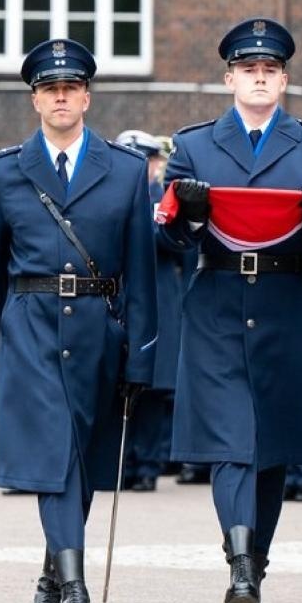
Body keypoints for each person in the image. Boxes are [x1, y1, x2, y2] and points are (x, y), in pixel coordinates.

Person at [159, 17, 302, 603]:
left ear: (284, 79)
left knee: (272, 454)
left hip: (287, 303)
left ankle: (253, 576)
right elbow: (171, 241)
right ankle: (239, 565)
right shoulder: (194, 145)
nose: (259, 78)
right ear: (230, 77)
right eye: (248, 70)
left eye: (270, 70)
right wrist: (186, 216)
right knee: (233, 443)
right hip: (216, 300)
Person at [0, 37, 158, 603]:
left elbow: (140, 270)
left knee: (77, 456)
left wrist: (141, 351)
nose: (61, 97)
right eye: (50, 89)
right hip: (28, 324)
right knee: (54, 453)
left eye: (71, 87)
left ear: (87, 95)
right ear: (35, 100)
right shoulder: (3, 171)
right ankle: (76, 592)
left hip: (98, 328)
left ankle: (52, 576)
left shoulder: (127, 171)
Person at [114, 130, 184, 493]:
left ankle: (147, 465)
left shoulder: (163, 202)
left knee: (153, 393)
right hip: (119, 305)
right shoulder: (110, 198)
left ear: (156, 165)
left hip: (159, 306)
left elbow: (173, 243)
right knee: (118, 389)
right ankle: (121, 465)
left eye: (142, 161)